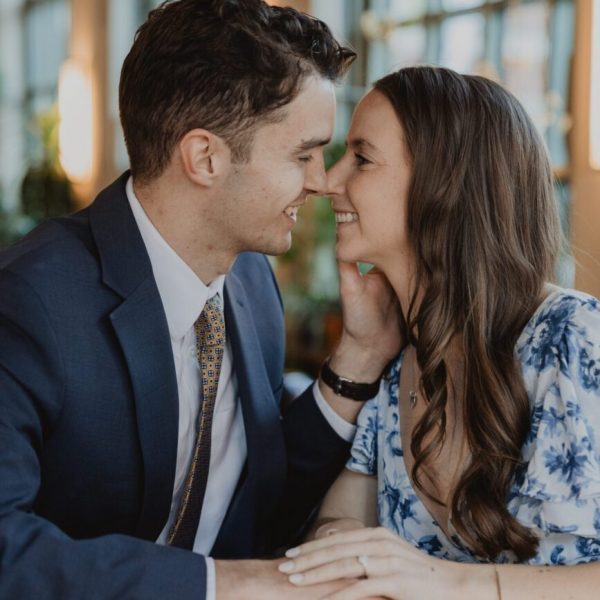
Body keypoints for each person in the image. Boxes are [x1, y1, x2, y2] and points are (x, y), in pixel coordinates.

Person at [0, 1, 402, 599]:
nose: (321, 180)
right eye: (302, 154)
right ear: (205, 157)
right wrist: (231, 585)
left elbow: (259, 489)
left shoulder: (250, 284)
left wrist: (360, 358)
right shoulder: (29, 302)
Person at [277, 66, 600, 599]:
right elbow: (339, 515)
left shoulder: (573, 338)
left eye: (361, 157)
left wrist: (440, 581)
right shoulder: (401, 365)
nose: (327, 181)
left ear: (445, 183)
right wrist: (348, 547)